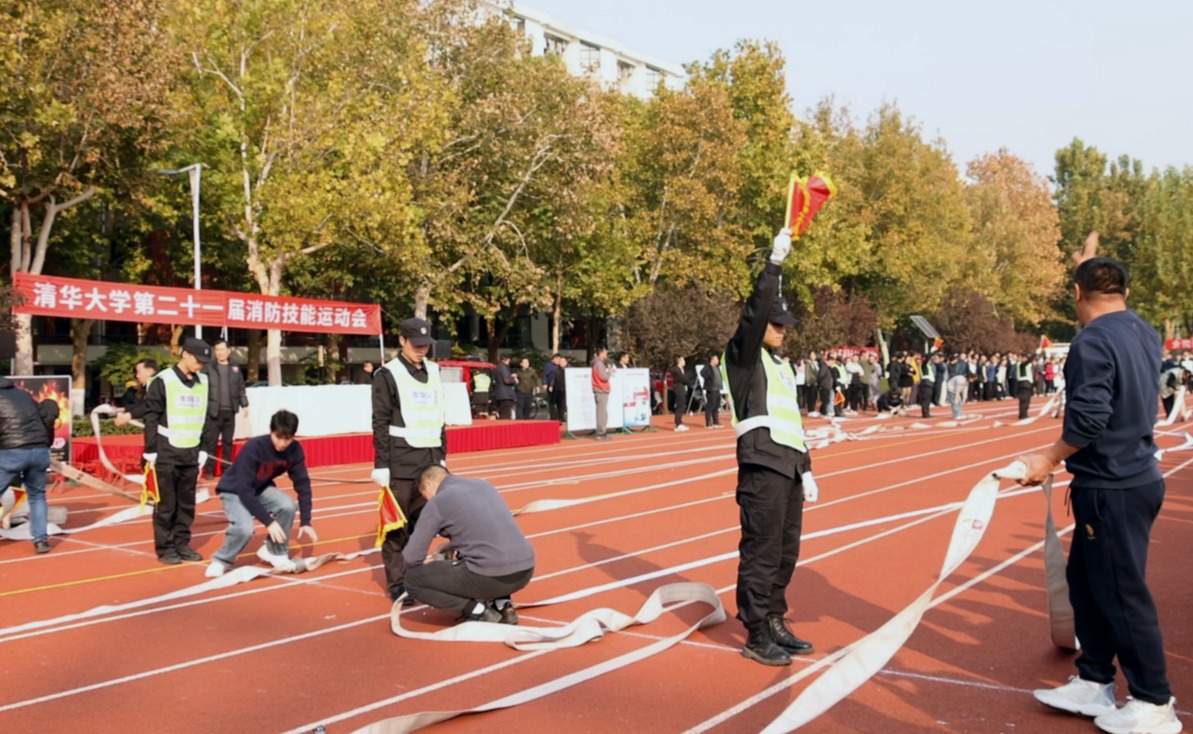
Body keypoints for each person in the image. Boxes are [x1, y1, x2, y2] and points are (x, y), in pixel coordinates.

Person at [1021, 257, 1181, 734]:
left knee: (1120, 592)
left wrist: (1048, 459)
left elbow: (1088, 419)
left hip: (1113, 484)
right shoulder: (1143, 331)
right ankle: (1094, 678)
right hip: (1132, 476)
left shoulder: (1092, 341)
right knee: (1087, 583)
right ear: (1125, 292)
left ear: (1076, 293)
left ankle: (1154, 700)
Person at [722, 227, 816, 667]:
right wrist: (773, 266)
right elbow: (754, 314)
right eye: (777, 325)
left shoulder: (781, 366)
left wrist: (808, 467)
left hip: (789, 467)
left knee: (785, 551)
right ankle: (757, 631)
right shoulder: (744, 358)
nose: (783, 332)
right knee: (761, 552)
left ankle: (776, 618)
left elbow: (792, 421)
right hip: (761, 466)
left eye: (785, 326)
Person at [371, 317, 447, 602]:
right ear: (401, 341)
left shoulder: (434, 371)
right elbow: (379, 421)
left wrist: (442, 458)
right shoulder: (387, 375)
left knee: (422, 527)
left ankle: (414, 578)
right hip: (400, 462)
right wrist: (381, 465)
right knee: (396, 530)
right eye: (416, 344)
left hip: (429, 461)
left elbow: (440, 418)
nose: (422, 350)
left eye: (426, 345)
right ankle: (398, 587)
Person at [402, 465, 535, 624]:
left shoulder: (438, 501)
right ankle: (503, 605)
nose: (428, 500)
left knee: (412, 581)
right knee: (487, 555)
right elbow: (484, 528)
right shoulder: (484, 485)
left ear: (429, 485)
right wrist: (451, 545)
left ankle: (478, 611)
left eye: (426, 496)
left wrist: (431, 567)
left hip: (490, 577)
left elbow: (411, 557)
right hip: (525, 571)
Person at [205, 410, 317, 578]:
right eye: (278, 437)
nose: (282, 443)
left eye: (287, 438)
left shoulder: (294, 450)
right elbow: (244, 489)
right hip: (234, 490)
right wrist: (269, 522)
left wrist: (306, 521)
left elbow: (303, 484)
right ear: (271, 431)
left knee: (287, 505)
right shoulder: (254, 447)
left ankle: (275, 552)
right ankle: (221, 560)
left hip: (260, 488)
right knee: (244, 528)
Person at [143, 337, 212, 564]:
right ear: (184, 354)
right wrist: (151, 449)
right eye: (198, 360)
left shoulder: (203, 381)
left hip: (191, 452)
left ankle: (182, 544)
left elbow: (207, 418)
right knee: (166, 504)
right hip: (166, 451)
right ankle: (165, 548)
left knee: (186, 504)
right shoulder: (163, 380)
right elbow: (151, 416)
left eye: (204, 362)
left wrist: (204, 448)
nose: (200, 365)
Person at [0, 378, 59, 554]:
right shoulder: (24, 395)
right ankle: (41, 541)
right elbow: (46, 413)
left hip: (12, 451)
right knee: (37, 496)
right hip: (39, 449)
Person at [201, 339, 250, 479]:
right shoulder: (208, 367)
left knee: (228, 442)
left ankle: (226, 469)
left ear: (229, 351)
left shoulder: (235, 368)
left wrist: (244, 404)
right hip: (214, 411)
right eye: (217, 350)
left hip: (230, 411)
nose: (219, 353)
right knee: (211, 442)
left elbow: (241, 387)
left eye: (222, 350)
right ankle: (209, 470)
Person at [114, 359, 158, 426]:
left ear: (150, 371)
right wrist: (123, 409)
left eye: (138, 372)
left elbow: (149, 405)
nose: (137, 376)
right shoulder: (148, 387)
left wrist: (129, 415)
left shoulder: (159, 386)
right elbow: (141, 405)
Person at [591, 346, 615, 440]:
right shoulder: (599, 364)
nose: (606, 354)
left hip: (600, 389)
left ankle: (602, 432)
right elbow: (604, 377)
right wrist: (610, 372)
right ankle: (601, 433)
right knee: (601, 413)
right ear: (600, 353)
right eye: (605, 353)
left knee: (603, 412)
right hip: (601, 389)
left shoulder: (597, 363)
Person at [702, 355, 723, 428]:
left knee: (716, 405)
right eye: (716, 359)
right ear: (712, 360)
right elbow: (702, 373)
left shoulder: (717, 367)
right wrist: (708, 379)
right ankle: (708, 422)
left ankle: (716, 421)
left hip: (717, 389)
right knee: (710, 405)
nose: (717, 361)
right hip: (711, 389)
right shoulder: (707, 367)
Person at [493, 355, 516, 420]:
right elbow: (507, 380)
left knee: (502, 413)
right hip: (506, 395)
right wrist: (514, 381)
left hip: (500, 394)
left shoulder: (498, 367)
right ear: (507, 359)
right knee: (506, 415)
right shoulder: (503, 368)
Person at [671, 356, 690, 432]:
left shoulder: (682, 370)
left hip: (682, 389)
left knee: (682, 407)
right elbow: (683, 379)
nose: (684, 361)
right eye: (683, 360)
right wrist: (686, 380)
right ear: (679, 361)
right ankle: (678, 424)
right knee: (679, 407)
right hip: (679, 390)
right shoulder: (676, 370)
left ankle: (680, 423)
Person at [1014, 352, 1034, 420]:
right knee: (1024, 400)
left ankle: (1024, 414)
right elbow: (1028, 362)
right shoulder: (1021, 365)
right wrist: (1035, 354)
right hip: (1024, 383)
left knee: (1026, 400)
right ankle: (1023, 415)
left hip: (1026, 383)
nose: (1026, 359)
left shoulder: (1023, 365)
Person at [917, 354, 937, 418]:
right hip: (926, 383)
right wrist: (931, 353)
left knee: (928, 399)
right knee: (926, 399)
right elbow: (925, 361)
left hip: (929, 383)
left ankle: (927, 412)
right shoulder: (923, 365)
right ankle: (925, 413)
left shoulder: (928, 365)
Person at [550, 356, 568, 424]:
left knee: (563, 405)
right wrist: (551, 386)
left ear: (566, 362)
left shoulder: (569, 369)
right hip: (558, 389)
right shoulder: (556, 370)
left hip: (566, 390)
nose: (562, 363)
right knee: (559, 404)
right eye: (561, 361)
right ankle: (559, 418)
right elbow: (553, 379)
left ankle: (562, 417)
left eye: (563, 361)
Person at [542, 354, 560, 421]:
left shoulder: (559, 366)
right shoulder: (548, 366)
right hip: (551, 386)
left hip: (559, 387)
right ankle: (552, 416)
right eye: (558, 360)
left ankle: (558, 416)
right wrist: (544, 383)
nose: (559, 361)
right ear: (554, 359)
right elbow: (544, 375)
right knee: (552, 402)